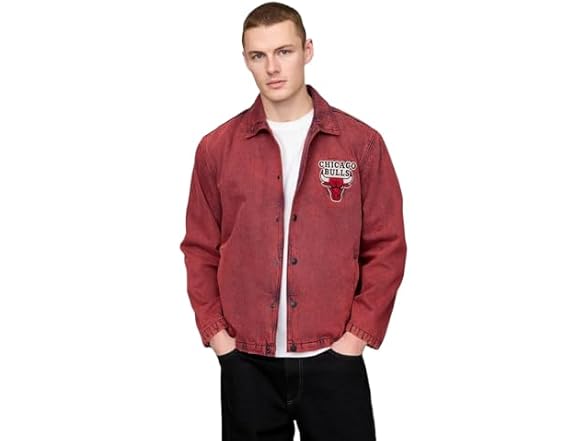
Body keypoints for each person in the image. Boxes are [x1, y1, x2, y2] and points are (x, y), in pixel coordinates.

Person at [179, 2, 407, 440]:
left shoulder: (360, 144)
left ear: (307, 50)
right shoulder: (216, 149)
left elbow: (386, 246)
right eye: (258, 55)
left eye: (283, 51)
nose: (272, 67)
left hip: (334, 358)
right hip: (247, 363)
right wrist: (219, 337)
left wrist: (355, 338)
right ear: (245, 60)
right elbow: (200, 248)